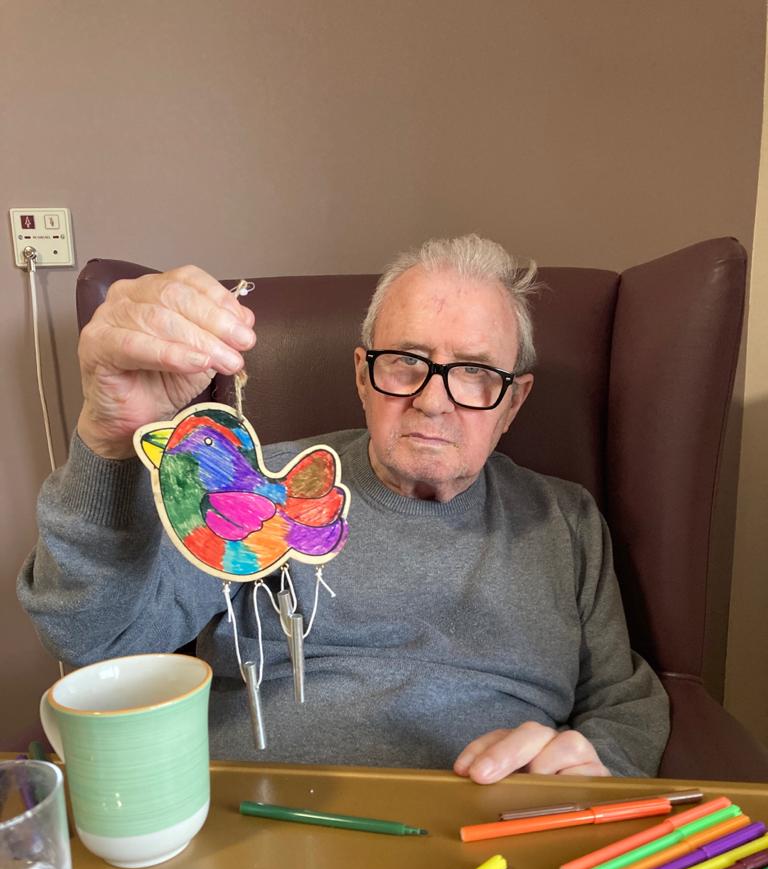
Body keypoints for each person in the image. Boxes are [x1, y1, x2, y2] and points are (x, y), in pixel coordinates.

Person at [18, 235, 669, 780]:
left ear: (514, 401)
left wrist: (600, 769)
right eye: (406, 361)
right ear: (362, 375)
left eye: (475, 372)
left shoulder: (566, 520)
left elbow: (623, 701)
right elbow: (96, 638)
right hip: (258, 824)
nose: (433, 402)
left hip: (491, 831)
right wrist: (108, 440)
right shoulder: (258, 487)